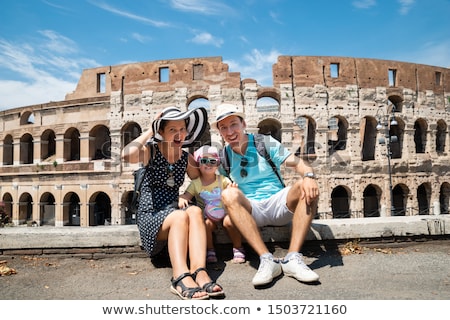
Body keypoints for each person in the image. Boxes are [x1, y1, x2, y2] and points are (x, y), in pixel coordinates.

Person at [211, 103, 320, 287]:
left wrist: (309, 175)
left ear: (243, 124)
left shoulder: (263, 142)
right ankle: (267, 259)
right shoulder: (223, 157)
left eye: (233, 124)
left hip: (278, 203)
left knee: (304, 185)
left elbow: (298, 163)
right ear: (220, 132)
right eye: (223, 127)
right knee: (229, 194)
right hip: (252, 209)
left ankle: (293, 258)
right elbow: (204, 177)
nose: (229, 132)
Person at [121, 106, 224, 300]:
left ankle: (199, 271)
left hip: (176, 215)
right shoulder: (150, 151)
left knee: (193, 211)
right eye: (172, 130)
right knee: (179, 215)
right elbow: (126, 155)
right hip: (151, 216)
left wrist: (186, 194)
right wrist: (151, 129)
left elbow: (201, 180)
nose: (179, 134)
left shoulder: (186, 158)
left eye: (182, 129)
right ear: (161, 132)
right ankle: (179, 277)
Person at [179, 145, 246, 264]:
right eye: (204, 161)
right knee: (206, 224)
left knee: (229, 222)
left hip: (225, 212)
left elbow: (231, 191)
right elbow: (187, 195)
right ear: (198, 164)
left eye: (212, 161)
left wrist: (233, 189)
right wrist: (183, 198)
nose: (208, 164)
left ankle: (238, 247)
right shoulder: (195, 183)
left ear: (217, 165)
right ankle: (210, 249)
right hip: (208, 216)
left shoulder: (223, 180)